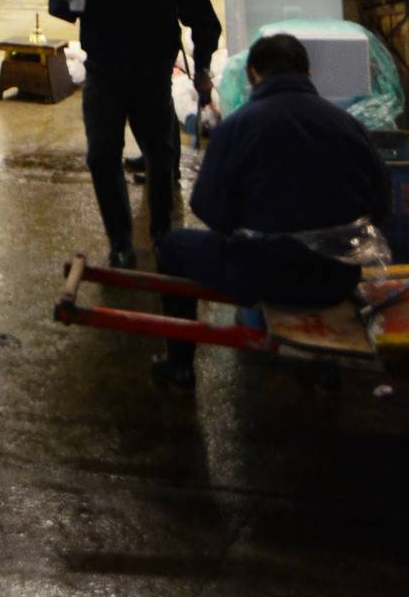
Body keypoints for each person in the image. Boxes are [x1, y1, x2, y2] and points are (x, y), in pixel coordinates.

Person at [153, 32, 391, 390]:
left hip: (264, 276)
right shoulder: (348, 125)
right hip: (336, 280)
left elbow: (209, 210)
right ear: (308, 73)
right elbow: (381, 206)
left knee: (172, 247)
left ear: (252, 75)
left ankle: (179, 366)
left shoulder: (237, 127)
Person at [49, 0, 220, 268]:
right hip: (104, 76)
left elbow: (204, 20)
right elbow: (61, 7)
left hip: (151, 77)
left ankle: (162, 234)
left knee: (161, 159)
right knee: (101, 156)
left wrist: (204, 68)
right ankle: (121, 241)